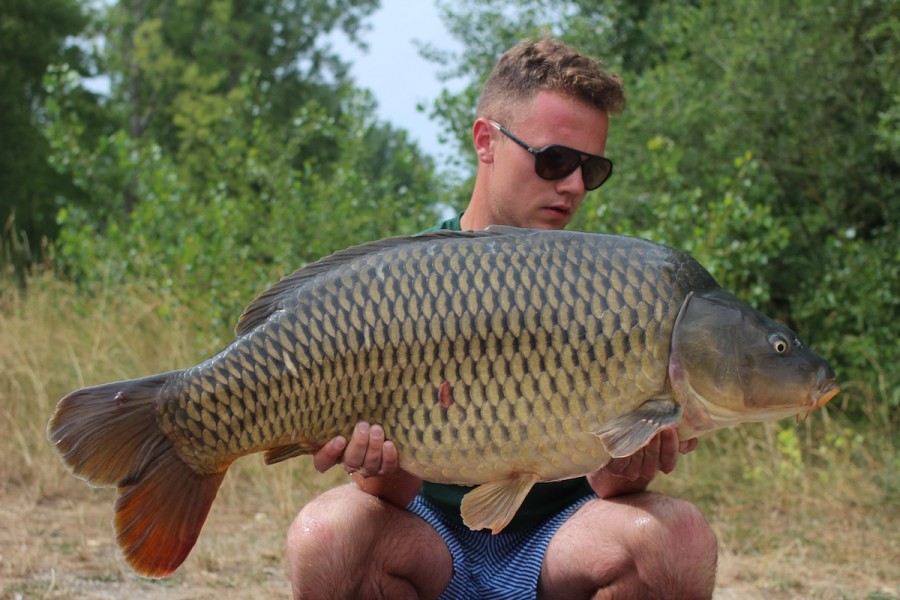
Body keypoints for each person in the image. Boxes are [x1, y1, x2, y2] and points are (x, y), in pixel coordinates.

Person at [286, 37, 718, 599]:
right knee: (327, 539)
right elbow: (385, 494)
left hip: (560, 544)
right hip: (427, 538)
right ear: (486, 141)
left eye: (592, 170)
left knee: (678, 542)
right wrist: (374, 460)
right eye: (555, 160)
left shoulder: (611, 288)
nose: (573, 186)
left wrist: (632, 465)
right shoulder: (400, 285)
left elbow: (610, 486)